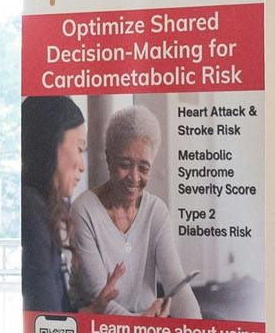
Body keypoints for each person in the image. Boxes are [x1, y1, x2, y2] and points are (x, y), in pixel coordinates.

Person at [67, 104, 201, 317]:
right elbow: (99, 297)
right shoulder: (84, 210)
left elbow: (175, 281)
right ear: (108, 158)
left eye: (144, 168)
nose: (135, 177)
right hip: (100, 326)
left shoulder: (156, 211)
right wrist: (141, 324)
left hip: (147, 324)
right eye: (125, 164)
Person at [18, 96, 85, 316]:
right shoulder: (31, 212)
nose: (82, 166)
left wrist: (97, 308)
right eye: (79, 148)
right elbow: (48, 321)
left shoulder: (38, 207)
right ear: (51, 142)